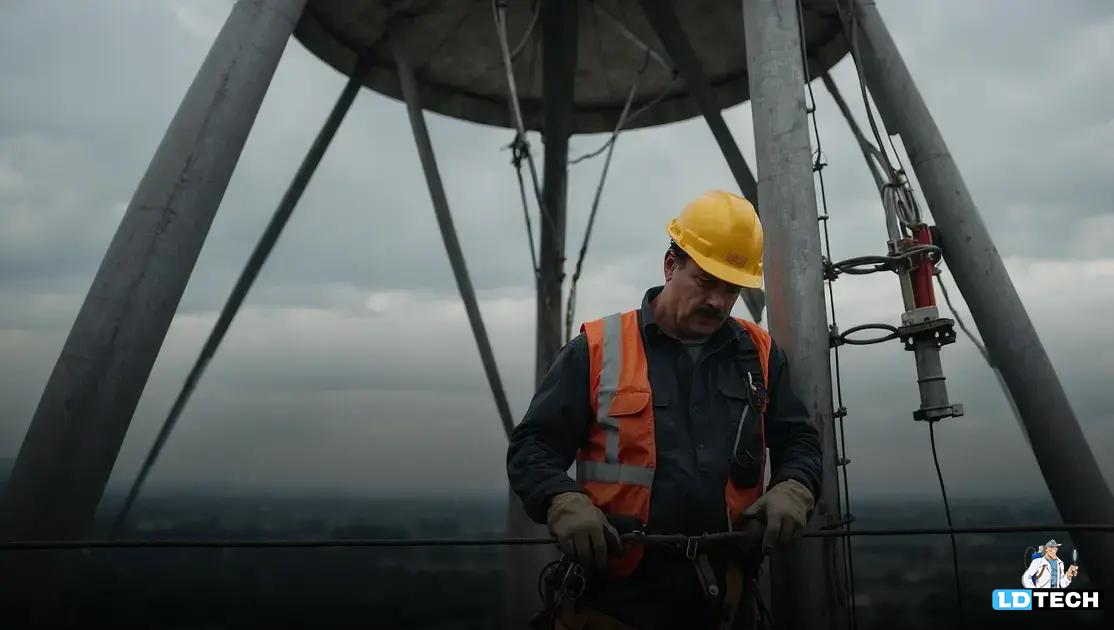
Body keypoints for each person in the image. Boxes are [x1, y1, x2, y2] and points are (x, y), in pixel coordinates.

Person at [507, 191, 822, 629]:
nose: (717, 300)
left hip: (724, 602)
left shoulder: (760, 354)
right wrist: (561, 501)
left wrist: (795, 487)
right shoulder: (598, 350)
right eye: (706, 280)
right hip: (615, 601)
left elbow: (800, 440)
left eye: (731, 288)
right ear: (671, 264)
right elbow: (533, 447)